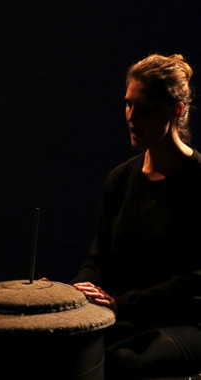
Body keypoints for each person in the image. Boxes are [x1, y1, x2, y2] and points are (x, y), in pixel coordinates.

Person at [71, 53, 201, 378]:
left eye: (144, 109)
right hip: (127, 314)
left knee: (123, 362)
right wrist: (72, 295)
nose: (131, 117)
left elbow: (192, 280)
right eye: (128, 105)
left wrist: (119, 304)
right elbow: (98, 259)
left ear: (176, 111)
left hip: (187, 320)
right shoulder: (120, 178)